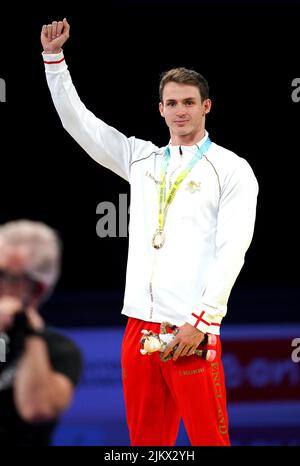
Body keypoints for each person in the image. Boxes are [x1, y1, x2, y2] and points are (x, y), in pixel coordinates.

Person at [40, 19, 258, 446]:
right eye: (172, 102)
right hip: (139, 327)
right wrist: (54, 62)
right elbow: (80, 124)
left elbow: (235, 249)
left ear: (206, 106)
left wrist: (203, 320)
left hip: (190, 327)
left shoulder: (232, 169)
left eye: (189, 102)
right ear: (160, 108)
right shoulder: (141, 159)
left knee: (209, 442)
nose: (180, 110)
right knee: (146, 444)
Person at [0, 220, 82, 445]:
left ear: (36, 289)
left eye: (4, 276)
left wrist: (31, 334)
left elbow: (37, 409)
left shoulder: (60, 349)